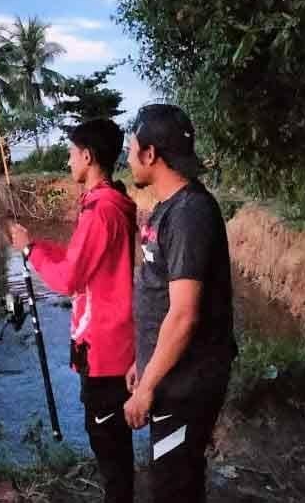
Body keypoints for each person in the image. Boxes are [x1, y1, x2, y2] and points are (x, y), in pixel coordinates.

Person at [8, 119, 137, 503]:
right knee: (113, 446)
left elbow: (68, 280)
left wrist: (30, 252)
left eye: (70, 153)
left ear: (87, 156)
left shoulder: (101, 212)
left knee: (109, 448)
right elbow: (79, 263)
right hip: (108, 344)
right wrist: (38, 248)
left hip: (106, 350)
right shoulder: (110, 203)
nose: (67, 160)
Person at [123, 104, 238, 503]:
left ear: (150, 154)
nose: (127, 154)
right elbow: (159, 295)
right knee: (177, 479)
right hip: (170, 374)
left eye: (131, 145)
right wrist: (144, 360)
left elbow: (185, 314)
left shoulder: (190, 212)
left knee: (173, 488)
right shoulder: (167, 208)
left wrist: (147, 386)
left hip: (186, 383)